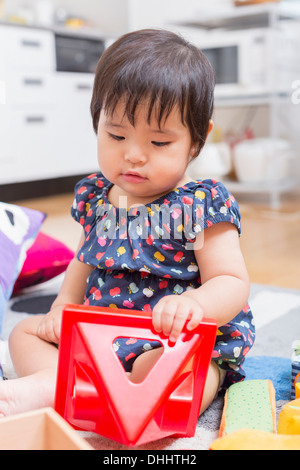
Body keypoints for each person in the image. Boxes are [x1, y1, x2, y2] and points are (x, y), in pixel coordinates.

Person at [0, 29, 254, 417]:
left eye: (159, 143)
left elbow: (232, 281)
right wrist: (63, 307)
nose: (133, 155)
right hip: (100, 334)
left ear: (197, 141)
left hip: (167, 338)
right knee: (24, 333)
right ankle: (56, 383)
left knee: (179, 371)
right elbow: (83, 261)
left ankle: (131, 398)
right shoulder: (98, 196)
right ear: (96, 123)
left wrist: (193, 306)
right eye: (116, 134)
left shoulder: (200, 204)